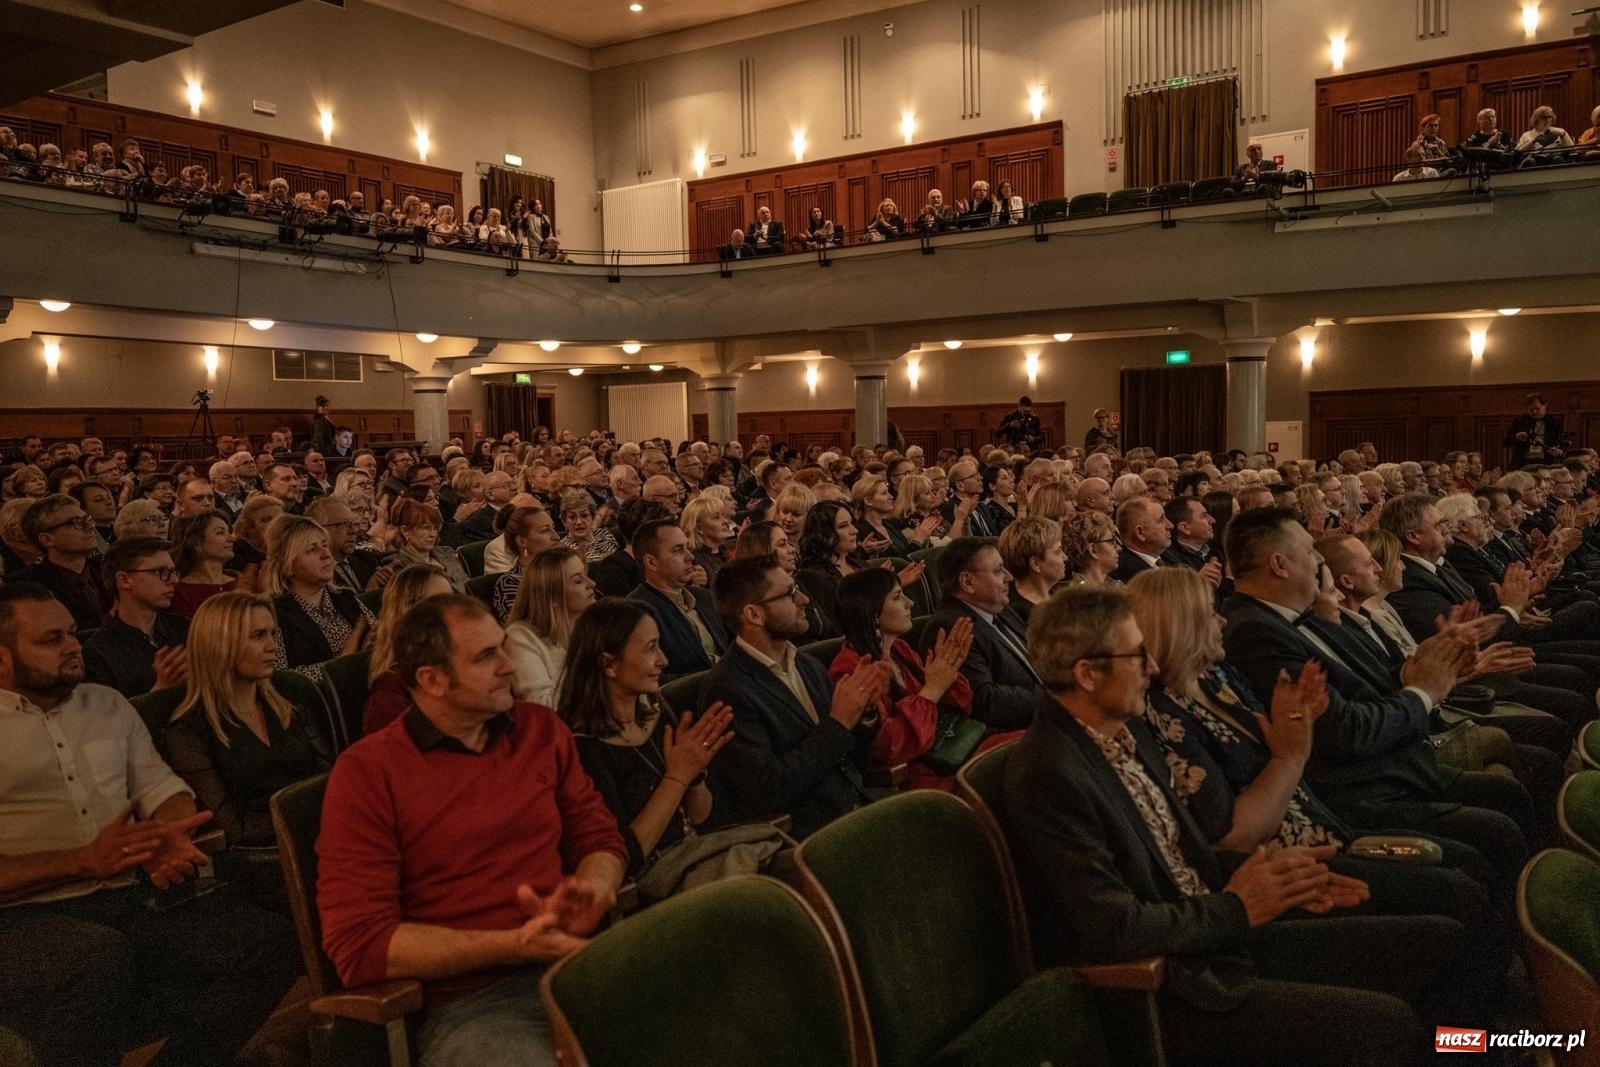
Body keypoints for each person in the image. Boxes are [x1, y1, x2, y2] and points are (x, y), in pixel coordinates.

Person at [1004, 584, 1491, 1067]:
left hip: (1214, 933)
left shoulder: (1124, 729)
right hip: (1173, 983)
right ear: (1087, 674)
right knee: (1386, 1023)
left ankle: (1484, 1050)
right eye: (1136, 656)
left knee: (1439, 941)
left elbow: (1184, 855)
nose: (1151, 668)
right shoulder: (1049, 773)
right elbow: (1114, 929)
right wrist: (1239, 905)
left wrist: (1280, 876)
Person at [316, 595, 627, 1066]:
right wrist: (514, 944)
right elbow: (362, 946)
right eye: (486, 657)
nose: (508, 665)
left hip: (576, 962)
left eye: (502, 647)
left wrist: (593, 891)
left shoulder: (539, 730)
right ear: (432, 680)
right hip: (470, 1003)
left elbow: (598, 836)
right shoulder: (368, 773)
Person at [0, 584, 299, 1067]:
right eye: (52, 640)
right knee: (99, 958)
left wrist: (170, 835)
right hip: (22, 916)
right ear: (2, 658)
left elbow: (162, 789)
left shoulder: (107, 705)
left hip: (125, 895)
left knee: (271, 943)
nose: (74, 646)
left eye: (73, 633)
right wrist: (79, 862)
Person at [1220, 507, 1535, 896]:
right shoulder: (1254, 632)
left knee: (1507, 797)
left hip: (1396, 763)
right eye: (1310, 552)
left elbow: (1376, 682)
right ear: (1280, 565)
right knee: (1488, 840)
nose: (1319, 560)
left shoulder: (1297, 615)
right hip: (1362, 791)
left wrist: (1434, 660)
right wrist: (1422, 692)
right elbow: (1344, 732)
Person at [557, 600, 743, 889]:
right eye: (650, 648)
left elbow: (701, 816)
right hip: (652, 888)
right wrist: (677, 778)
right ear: (609, 664)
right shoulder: (582, 750)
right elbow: (625, 857)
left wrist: (694, 774)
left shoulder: (658, 717)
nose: (663, 660)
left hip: (694, 860)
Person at [703, 555, 890, 838]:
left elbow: (852, 760)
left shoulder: (807, 664)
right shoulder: (727, 690)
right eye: (790, 594)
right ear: (754, 614)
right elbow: (768, 791)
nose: (804, 599)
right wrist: (838, 723)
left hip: (854, 805)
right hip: (806, 834)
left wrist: (863, 712)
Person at [162, 592, 332, 895]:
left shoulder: (290, 705)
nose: (273, 646)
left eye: (272, 634)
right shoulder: (188, 732)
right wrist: (307, 821)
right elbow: (233, 829)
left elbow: (329, 780)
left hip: (322, 838)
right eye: (258, 636)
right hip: (262, 862)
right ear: (221, 644)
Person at [829, 567, 991, 790]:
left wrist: (947, 673)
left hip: (948, 752)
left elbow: (960, 706)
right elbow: (889, 747)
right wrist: (933, 690)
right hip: (916, 777)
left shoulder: (899, 648)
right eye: (898, 597)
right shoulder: (850, 669)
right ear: (873, 613)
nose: (910, 603)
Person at [921, 537, 1041, 729]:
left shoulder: (998, 606)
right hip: (1020, 731)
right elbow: (986, 701)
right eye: (998, 571)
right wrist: (1054, 698)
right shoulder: (950, 627)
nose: (1009, 577)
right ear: (967, 582)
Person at [265, 514, 373, 679]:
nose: (326, 555)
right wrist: (345, 662)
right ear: (287, 564)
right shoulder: (274, 614)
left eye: (325, 545)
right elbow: (281, 679)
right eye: (312, 549)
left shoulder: (346, 597)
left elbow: (379, 639)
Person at [82, 537, 190, 698]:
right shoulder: (97, 653)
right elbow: (107, 712)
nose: (174, 580)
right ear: (124, 580)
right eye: (161, 572)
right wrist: (160, 690)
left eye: (173, 571)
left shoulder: (186, 628)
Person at [627, 519, 729, 682]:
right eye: (678, 550)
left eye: (687, 548)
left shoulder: (704, 596)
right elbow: (650, 678)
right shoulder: (636, 611)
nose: (690, 556)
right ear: (652, 563)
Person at [362, 564, 455, 734]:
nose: (450, 612)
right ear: (407, 613)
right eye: (437, 604)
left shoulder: (454, 662)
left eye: (450, 601)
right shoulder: (390, 692)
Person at [505, 547, 596, 707]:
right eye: (578, 581)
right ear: (552, 596)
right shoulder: (520, 637)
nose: (592, 584)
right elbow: (542, 707)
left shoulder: (595, 624)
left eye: (586, 575)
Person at [387, 499, 470, 593]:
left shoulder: (447, 552)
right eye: (426, 528)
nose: (433, 534)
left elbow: (467, 584)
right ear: (405, 531)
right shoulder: (398, 564)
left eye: (435, 528)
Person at [998, 516, 1065, 621]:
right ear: (1035, 564)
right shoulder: (1022, 614)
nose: (1065, 557)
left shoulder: (1059, 594)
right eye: (1058, 552)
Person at [1504, 392, 1566, 468]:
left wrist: (1559, 452)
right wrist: (1516, 436)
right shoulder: (1520, 421)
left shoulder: (1554, 422)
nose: (1534, 412)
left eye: (1537, 409)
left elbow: (1563, 443)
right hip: (1523, 463)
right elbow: (1506, 442)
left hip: (1547, 462)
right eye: (1531, 410)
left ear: (1545, 406)